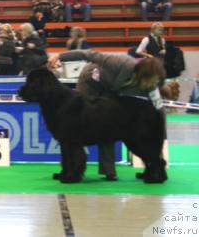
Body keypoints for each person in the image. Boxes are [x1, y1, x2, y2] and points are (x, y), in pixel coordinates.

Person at [48, 51, 167, 181]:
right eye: (152, 80)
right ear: (143, 74)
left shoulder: (150, 84)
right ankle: (70, 170)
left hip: (111, 92)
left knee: (109, 127)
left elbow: (159, 110)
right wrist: (60, 56)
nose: (153, 84)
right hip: (91, 83)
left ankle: (110, 171)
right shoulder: (120, 62)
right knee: (77, 132)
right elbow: (87, 54)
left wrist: (161, 137)